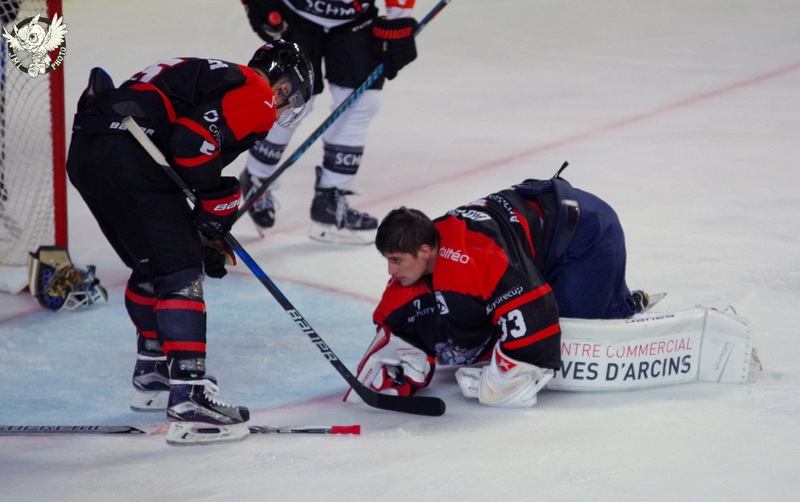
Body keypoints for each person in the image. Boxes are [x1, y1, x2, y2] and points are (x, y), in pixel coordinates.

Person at [65, 41, 313, 445]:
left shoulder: (220, 79)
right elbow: (190, 143)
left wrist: (208, 214)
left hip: (90, 151)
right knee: (180, 271)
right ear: (282, 86)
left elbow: (183, 142)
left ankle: (153, 371)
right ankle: (189, 399)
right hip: (129, 154)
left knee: (153, 265)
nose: (284, 110)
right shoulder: (256, 90)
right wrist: (217, 201)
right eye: (291, 99)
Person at [345, 167, 651, 408]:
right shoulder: (425, 244)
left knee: (573, 329)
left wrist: (497, 382)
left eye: (396, 260)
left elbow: (536, 319)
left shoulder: (476, 258)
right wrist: (395, 355)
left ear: (424, 252)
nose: (391, 270)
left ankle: (621, 303)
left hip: (588, 229)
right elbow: (399, 315)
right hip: (538, 227)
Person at [239, 0, 418, 244]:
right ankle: (256, 177)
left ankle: (330, 199)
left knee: (362, 101)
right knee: (291, 99)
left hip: (355, 20)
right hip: (296, 15)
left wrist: (399, 19)